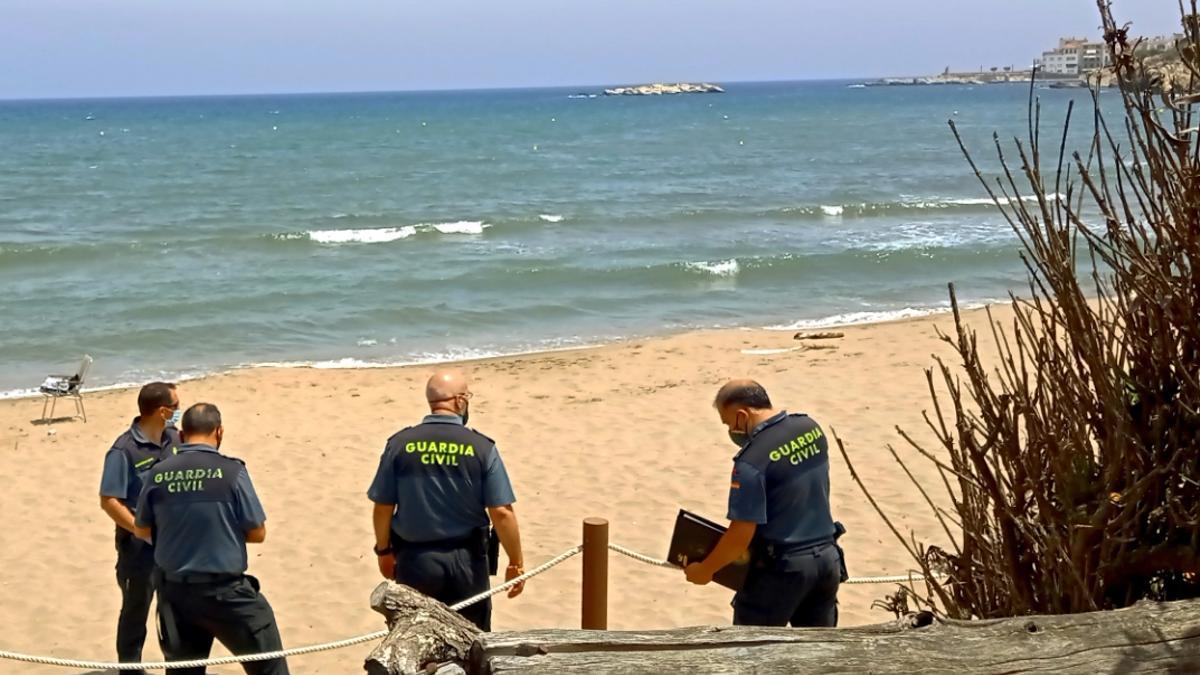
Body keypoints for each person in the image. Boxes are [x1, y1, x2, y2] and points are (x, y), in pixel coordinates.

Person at [133, 403, 288, 675]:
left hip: (176, 594)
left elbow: (142, 529)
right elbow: (257, 532)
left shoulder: (158, 472)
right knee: (271, 668)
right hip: (227, 594)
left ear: (181, 435)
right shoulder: (232, 471)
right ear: (219, 432)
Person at [368, 369, 525, 631]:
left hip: (414, 559)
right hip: (467, 563)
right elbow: (501, 512)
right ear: (460, 401)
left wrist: (383, 551)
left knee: (415, 640)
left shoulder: (399, 444)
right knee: (472, 641)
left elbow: (383, 506)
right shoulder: (481, 447)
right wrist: (516, 562)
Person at [685, 379, 845, 627]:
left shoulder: (751, 462)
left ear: (741, 415)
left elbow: (741, 534)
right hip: (827, 561)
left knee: (752, 658)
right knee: (818, 658)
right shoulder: (810, 428)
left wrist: (706, 569)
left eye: (728, 423)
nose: (730, 430)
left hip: (782, 571)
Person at [98, 381, 182, 673]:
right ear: (162, 411)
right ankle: (130, 670)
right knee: (136, 613)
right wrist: (138, 530)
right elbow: (108, 500)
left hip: (173, 546)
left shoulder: (175, 438)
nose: (178, 411)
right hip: (138, 551)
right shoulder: (124, 450)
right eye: (175, 407)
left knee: (173, 612)